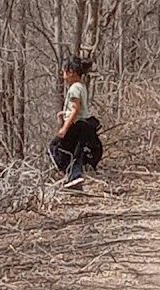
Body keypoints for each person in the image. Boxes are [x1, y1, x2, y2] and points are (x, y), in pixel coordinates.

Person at [48, 56, 102, 190]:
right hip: (83, 125)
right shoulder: (81, 86)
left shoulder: (74, 89)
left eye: (64, 72)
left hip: (77, 125)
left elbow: (76, 109)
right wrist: (64, 114)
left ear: (71, 71)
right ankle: (74, 179)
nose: (63, 76)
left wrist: (64, 128)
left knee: (55, 147)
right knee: (75, 153)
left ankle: (73, 176)